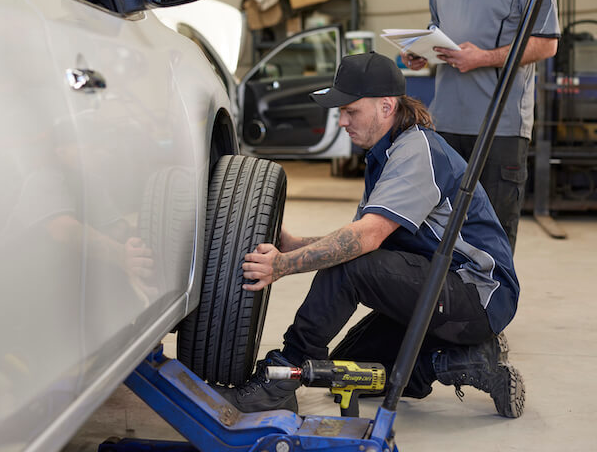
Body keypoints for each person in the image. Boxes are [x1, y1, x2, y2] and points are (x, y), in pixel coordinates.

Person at [216, 52, 524, 419]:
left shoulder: (416, 151)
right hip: (437, 285)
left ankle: (285, 371)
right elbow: (359, 235)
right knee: (347, 370)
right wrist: (296, 244)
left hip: (477, 295)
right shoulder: (385, 155)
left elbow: (363, 241)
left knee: (351, 265)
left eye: (351, 111)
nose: (342, 121)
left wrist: (282, 266)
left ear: (386, 106)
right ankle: (458, 361)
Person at [404, 0, 560, 252]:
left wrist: (484, 58)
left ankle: (489, 311)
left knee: (493, 241)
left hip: (500, 130)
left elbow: (547, 44)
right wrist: (421, 52)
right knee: (441, 238)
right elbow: (438, 29)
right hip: (444, 126)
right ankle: (446, 311)